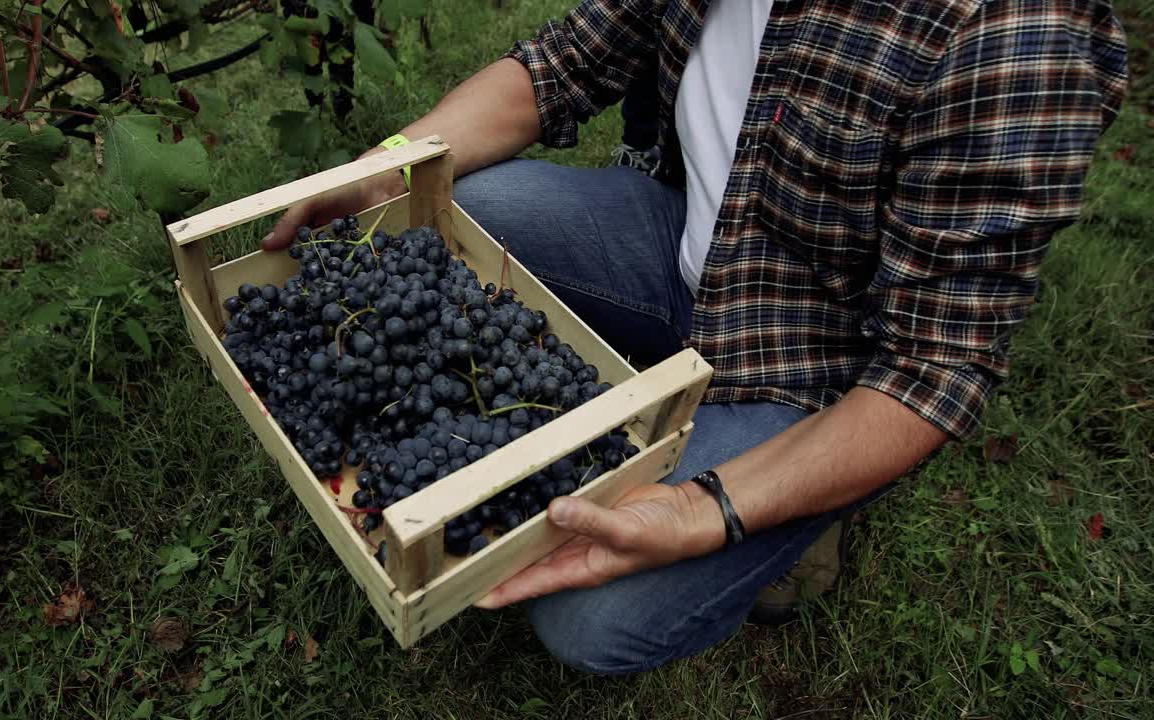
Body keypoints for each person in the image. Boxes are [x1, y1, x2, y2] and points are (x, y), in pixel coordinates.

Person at [261, 0, 1128, 674]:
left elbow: (936, 370)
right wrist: (392, 161)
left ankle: (803, 503)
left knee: (591, 619)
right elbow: (559, 65)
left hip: (819, 362)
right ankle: (671, 394)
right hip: (691, 247)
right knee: (460, 203)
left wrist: (703, 506)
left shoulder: (1019, 32)